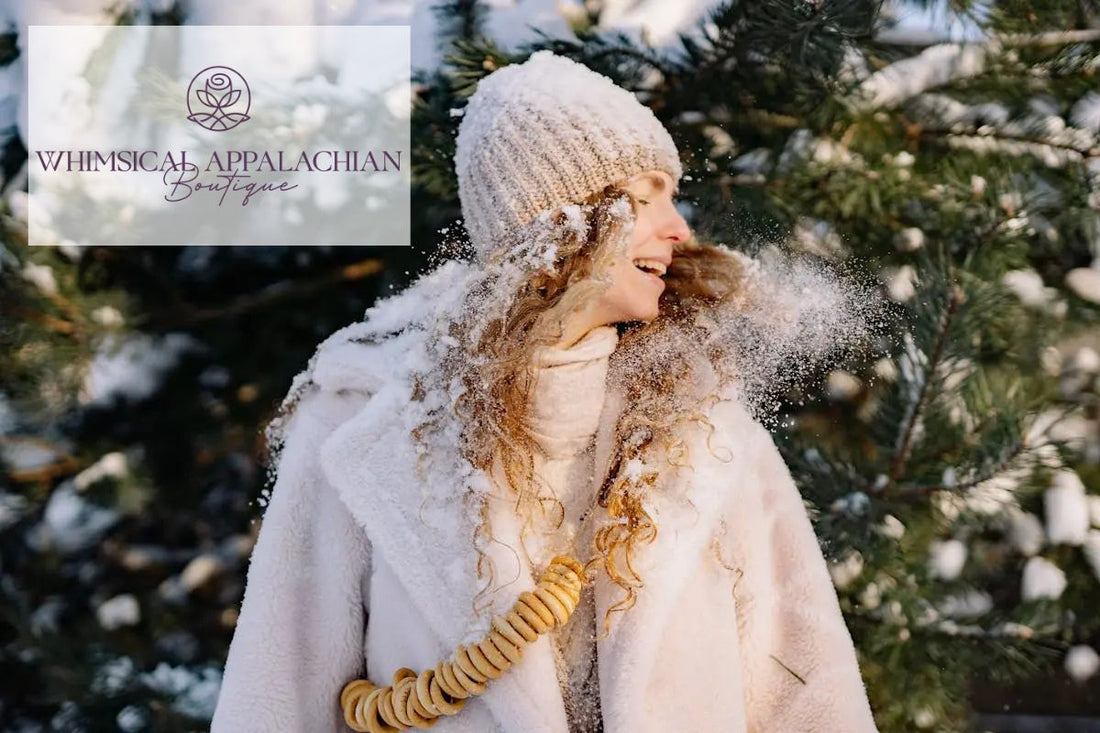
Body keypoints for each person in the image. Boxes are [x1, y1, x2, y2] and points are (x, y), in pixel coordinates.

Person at [211, 50, 880, 733]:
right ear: (563, 222)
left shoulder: (709, 427)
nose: (679, 228)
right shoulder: (362, 423)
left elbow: (806, 687)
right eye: (647, 197)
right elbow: (275, 692)